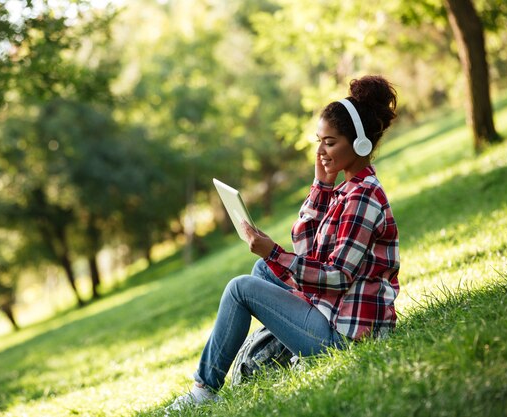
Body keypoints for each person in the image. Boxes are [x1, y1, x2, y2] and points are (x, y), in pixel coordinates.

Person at [166, 75, 400, 412]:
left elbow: (336, 277)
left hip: (347, 336)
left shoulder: (362, 198)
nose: (320, 152)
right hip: (334, 312)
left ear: (359, 144)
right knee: (263, 270)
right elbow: (307, 249)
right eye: (319, 141)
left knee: (239, 289)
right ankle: (280, 350)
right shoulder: (345, 190)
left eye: (330, 143)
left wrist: (274, 251)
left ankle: (204, 390)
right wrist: (321, 186)